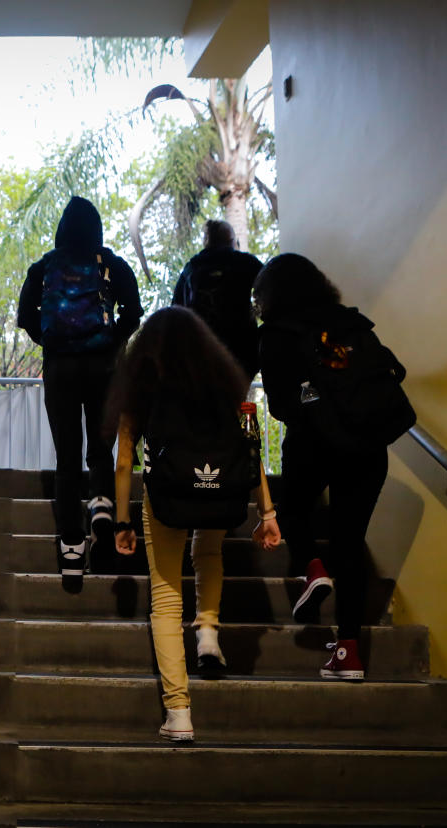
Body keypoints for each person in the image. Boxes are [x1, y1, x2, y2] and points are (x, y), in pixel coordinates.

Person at [106, 307, 280, 742]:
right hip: (221, 491)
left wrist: (121, 520)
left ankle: (179, 711)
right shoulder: (229, 382)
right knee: (209, 551)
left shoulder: (144, 385)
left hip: (167, 495)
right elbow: (252, 447)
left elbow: (125, 459)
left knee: (165, 600)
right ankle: (207, 632)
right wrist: (268, 512)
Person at [253, 253, 399, 681]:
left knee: (291, 507)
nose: (257, 303)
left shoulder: (276, 335)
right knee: (350, 541)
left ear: (273, 294)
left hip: (315, 443)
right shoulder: (351, 322)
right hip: (369, 446)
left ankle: (312, 568)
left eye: (259, 294)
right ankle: (349, 653)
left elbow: (280, 407)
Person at [17, 197, 143, 587]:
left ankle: (72, 548)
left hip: (61, 370)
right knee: (101, 446)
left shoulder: (44, 266)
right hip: (104, 368)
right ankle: (102, 506)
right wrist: (110, 342)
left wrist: (52, 344)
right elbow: (134, 312)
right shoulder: (111, 263)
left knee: (67, 459)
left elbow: (25, 316)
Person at [168, 219, 265, 671]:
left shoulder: (191, 267)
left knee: (172, 530)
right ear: (232, 239)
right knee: (209, 535)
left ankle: (170, 632)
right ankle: (207, 632)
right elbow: (266, 308)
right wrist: (267, 508)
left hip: (185, 405)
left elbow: (173, 323)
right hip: (232, 393)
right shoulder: (248, 265)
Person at [171, 219, 263, 380]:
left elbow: (175, 312)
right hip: (241, 352)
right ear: (232, 241)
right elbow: (272, 285)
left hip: (201, 353)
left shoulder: (191, 267)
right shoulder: (245, 262)